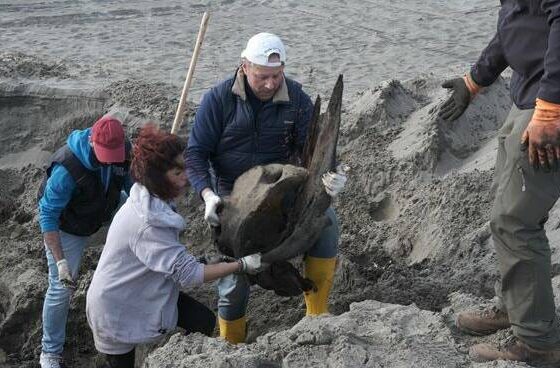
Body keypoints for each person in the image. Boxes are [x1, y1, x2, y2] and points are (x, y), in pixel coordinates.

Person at [185, 32, 348, 344]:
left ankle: (316, 313)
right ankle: (231, 340)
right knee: (234, 279)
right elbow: (195, 153)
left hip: (282, 195)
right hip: (232, 199)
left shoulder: (297, 99)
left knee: (328, 224)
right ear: (244, 67)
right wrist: (207, 195)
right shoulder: (217, 100)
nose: (271, 84)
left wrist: (331, 176)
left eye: (277, 75)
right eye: (263, 77)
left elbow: (312, 150)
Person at [439, 0, 560, 363]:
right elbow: (516, 24)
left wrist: (551, 106)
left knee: (515, 220)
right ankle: (517, 305)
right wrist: (475, 79)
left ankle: (538, 341)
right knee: (505, 211)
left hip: (545, 108)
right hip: (527, 99)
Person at [86, 124, 262, 368]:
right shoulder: (147, 223)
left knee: (202, 321)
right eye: (177, 173)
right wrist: (240, 265)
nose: (186, 178)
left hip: (146, 287)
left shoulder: (151, 195)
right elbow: (191, 274)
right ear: (157, 177)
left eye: (185, 169)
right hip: (116, 305)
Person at [37, 116, 132, 368]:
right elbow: (47, 215)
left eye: (115, 155)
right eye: (105, 155)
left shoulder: (124, 151)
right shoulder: (66, 169)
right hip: (69, 225)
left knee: (140, 207)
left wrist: (146, 206)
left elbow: (134, 187)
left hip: (105, 203)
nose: (111, 160)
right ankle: (50, 352)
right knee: (61, 288)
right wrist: (60, 262)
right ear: (92, 143)